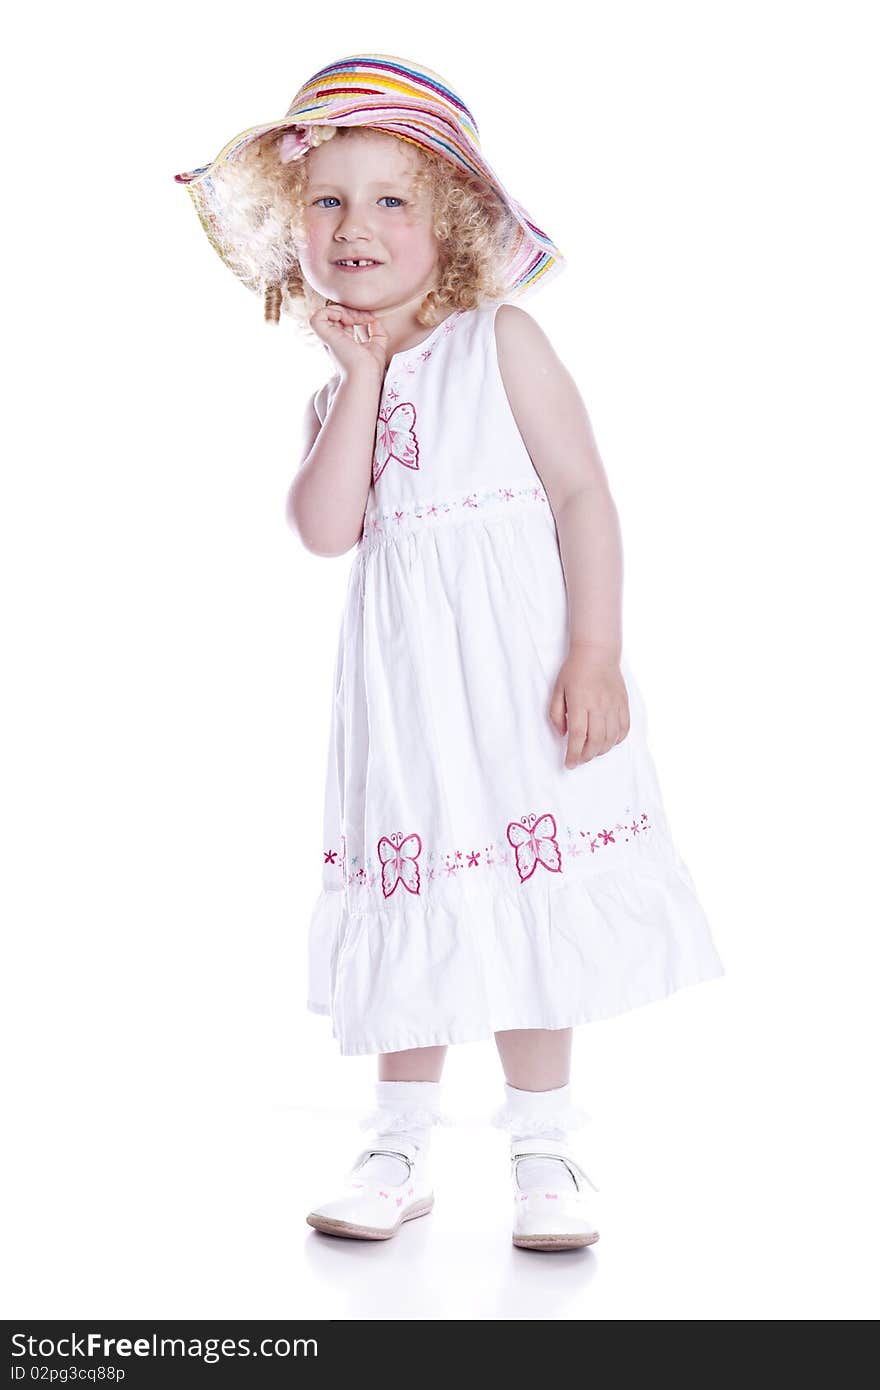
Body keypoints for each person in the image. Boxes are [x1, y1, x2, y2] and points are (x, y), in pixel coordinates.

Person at [174, 53, 725, 1252]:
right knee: (411, 885)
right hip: (410, 698)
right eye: (325, 201)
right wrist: (360, 376)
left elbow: (581, 493)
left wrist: (595, 651)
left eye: (389, 200)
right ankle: (398, 1139)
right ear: (294, 233)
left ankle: (544, 1145)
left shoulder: (501, 344)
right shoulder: (339, 394)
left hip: (520, 680)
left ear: (450, 223)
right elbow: (327, 531)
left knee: (530, 902)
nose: (354, 225)